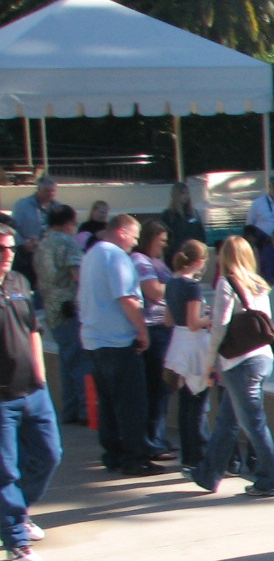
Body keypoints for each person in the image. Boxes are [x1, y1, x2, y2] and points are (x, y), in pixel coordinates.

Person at [185, 236, 274, 498]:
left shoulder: (226, 284)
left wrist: (209, 364)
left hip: (239, 362)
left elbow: (219, 327)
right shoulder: (259, 285)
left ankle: (271, 479)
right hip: (262, 358)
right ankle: (209, 473)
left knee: (253, 423)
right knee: (228, 419)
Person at [78, 214, 159, 477]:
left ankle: (113, 455)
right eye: (134, 237)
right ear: (123, 232)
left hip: (95, 340)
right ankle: (134, 458)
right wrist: (142, 331)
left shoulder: (92, 254)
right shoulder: (115, 255)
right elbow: (127, 298)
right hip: (118, 341)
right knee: (131, 404)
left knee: (109, 404)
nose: (135, 244)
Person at [0, 224, 61, 561]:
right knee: (4, 470)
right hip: (1, 398)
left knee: (50, 455)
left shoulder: (19, 283)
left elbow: (33, 330)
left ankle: (16, 512)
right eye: (0, 249)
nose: (7, 254)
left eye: (10, 248)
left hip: (33, 391)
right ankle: (16, 542)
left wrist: (40, 375)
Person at [34, 204, 88, 425]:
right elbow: (78, 275)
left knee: (67, 363)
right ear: (68, 223)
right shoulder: (67, 243)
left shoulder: (42, 244)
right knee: (81, 362)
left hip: (51, 309)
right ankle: (85, 411)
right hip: (69, 308)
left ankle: (69, 410)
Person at [161, 239, 212, 470]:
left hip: (179, 344)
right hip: (195, 347)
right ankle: (199, 454)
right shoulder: (192, 287)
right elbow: (194, 323)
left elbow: (169, 319)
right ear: (200, 261)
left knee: (186, 402)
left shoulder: (171, 283)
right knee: (198, 403)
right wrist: (211, 318)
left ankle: (189, 453)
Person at [131, 220, 175, 457]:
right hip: (154, 329)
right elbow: (154, 292)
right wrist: (181, 286)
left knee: (164, 388)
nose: (165, 245)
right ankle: (152, 441)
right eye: (161, 240)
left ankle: (158, 437)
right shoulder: (140, 261)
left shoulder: (157, 262)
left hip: (165, 328)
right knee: (157, 387)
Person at [8, 175, 57, 287]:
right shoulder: (22, 205)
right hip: (27, 256)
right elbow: (13, 228)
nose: (50, 194)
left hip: (48, 256)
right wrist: (24, 244)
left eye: (53, 191)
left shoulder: (57, 208)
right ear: (38, 190)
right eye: (46, 191)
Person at [159, 183, 207, 260]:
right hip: (174, 256)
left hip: (192, 255)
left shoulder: (193, 214)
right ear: (176, 195)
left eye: (187, 193)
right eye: (183, 194)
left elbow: (201, 234)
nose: (186, 196)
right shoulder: (168, 215)